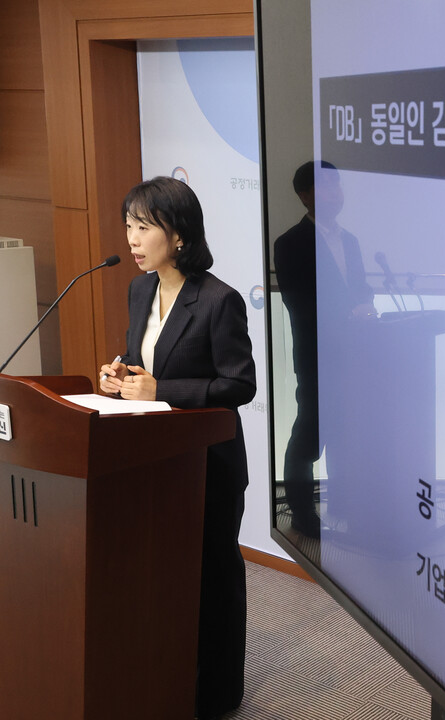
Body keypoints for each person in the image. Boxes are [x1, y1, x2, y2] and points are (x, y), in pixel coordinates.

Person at [99, 176, 256, 720]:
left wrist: (161, 390)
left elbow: (239, 385)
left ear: (180, 235)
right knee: (164, 577)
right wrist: (120, 376)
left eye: (144, 227)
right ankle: (169, 680)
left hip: (209, 464)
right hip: (159, 463)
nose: (132, 239)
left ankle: (218, 694)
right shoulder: (139, 290)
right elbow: (144, 360)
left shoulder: (218, 300)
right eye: (129, 226)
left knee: (214, 576)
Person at [274, 161, 375, 538]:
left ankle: (345, 505)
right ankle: (302, 514)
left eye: (338, 185)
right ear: (305, 195)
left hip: (356, 356)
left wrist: (367, 304)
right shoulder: (289, 243)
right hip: (318, 356)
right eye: (326, 186)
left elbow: (360, 287)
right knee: (309, 435)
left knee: (347, 433)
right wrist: (349, 312)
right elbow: (298, 303)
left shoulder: (351, 240)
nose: (336, 193)